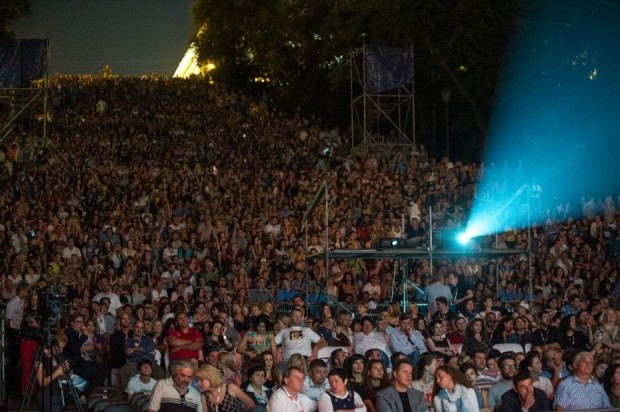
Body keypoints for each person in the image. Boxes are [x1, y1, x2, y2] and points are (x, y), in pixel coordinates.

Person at [62, 313, 108, 396]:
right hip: (74, 365)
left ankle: (88, 394)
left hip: (79, 362)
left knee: (103, 367)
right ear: (72, 323)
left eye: (82, 322)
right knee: (101, 371)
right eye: (78, 322)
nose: (80, 325)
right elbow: (73, 348)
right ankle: (85, 395)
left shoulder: (74, 333)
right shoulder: (69, 333)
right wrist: (84, 336)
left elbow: (76, 348)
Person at [119, 319, 165, 392]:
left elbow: (150, 350)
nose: (139, 329)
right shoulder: (127, 341)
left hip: (150, 363)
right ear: (133, 328)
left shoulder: (148, 339)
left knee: (160, 372)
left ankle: (156, 395)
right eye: (137, 327)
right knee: (122, 372)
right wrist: (141, 349)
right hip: (135, 363)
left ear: (144, 329)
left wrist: (134, 349)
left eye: (141, 328)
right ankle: (127, 395)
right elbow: (129, 354)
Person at [33, 331, 73, 412]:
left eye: (63, 348)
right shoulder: (40, 356)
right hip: (45, 395)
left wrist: (63, 372)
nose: (61, 351)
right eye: (59, 347)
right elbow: (41, 383)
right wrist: (58, 371)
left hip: (55, 392)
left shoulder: (55, 355)